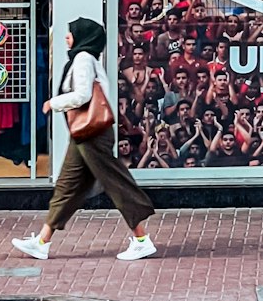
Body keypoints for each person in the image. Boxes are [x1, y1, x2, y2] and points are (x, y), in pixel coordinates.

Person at [12, 18, 157, 262]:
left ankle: (142, 240)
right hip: (85, 133)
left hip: (93, 133)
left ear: (83, 37)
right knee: (68, 185)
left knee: (114, 182)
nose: (67, 38)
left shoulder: (83, 59)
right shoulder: (87, 59)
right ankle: (42, 242)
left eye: (70, 34)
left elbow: (82, 95)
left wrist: (53, 103)